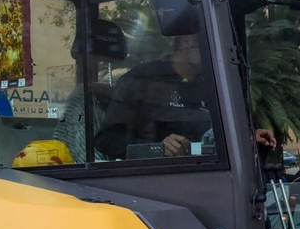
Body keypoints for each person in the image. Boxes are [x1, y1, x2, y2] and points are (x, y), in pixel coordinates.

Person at [95, 33, 275, 159]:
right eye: (210, 47)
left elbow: (217, 138)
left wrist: (250, 137)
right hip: (158, 187)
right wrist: (158, 148)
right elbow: (106, 140)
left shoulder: (213, 84)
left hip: (217, 180)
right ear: (187, 41)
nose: (216, 56)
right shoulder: (142, 79)